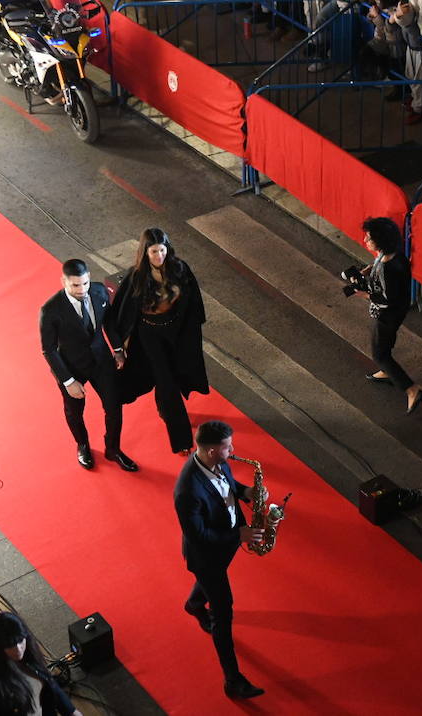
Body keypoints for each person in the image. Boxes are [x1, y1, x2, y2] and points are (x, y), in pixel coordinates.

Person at [175, 420, 266, 699]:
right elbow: (199, 536)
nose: (233, 450)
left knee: (208, 591)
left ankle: (193, 604)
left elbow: (227, 484)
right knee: (223, 613)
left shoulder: (215, 461)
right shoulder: (187, 491)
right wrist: (239, 535)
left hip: (226, 544)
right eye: (228, 447)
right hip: (207, 557)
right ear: (213, 451)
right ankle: (232, 681)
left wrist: (247, 493)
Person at [105, 228, 210, 455]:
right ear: (145, 252)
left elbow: (193, 302)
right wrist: (118, 348)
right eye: (154, 251)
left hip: (177, 332)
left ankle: (163, 407)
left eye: (162, 250)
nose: (159, 256)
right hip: (149, 336)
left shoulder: (180, 269)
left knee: (176, 374)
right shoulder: (136, 277)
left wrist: (191, 333)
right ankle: (181, 440)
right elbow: (117, 314)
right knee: (167, 382)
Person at [40, 257, 136, 472]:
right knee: (75, 412)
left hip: (101, 360)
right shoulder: (51, 310)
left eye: (84, 283)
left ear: (89, 279)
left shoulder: (100, 291)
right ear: (64, 281)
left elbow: (109, 321)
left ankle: (113, 450)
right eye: (75, 285)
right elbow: (49, 349)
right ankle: (82, 445)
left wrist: (118, 349)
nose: (82, 289)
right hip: (71, 366)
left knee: (114, 407)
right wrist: (68, 381)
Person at [358, 217, 422, 414]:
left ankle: (412, 390)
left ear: (380, 241)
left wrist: (364, 294)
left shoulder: (390, 269)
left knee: (379, 354)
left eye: (369, 238)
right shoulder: (394, 256)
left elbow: (385, 299)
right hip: (397, 310)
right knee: (385, 344)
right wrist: (370, 270)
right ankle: (387, 372)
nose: (365, 241)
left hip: (388, 314)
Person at [0, 612, 81, 716]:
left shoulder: (30, 657)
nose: (18, 649)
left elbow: (50, 683)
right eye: (10, 644)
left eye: (20, 640)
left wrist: (71, 710)